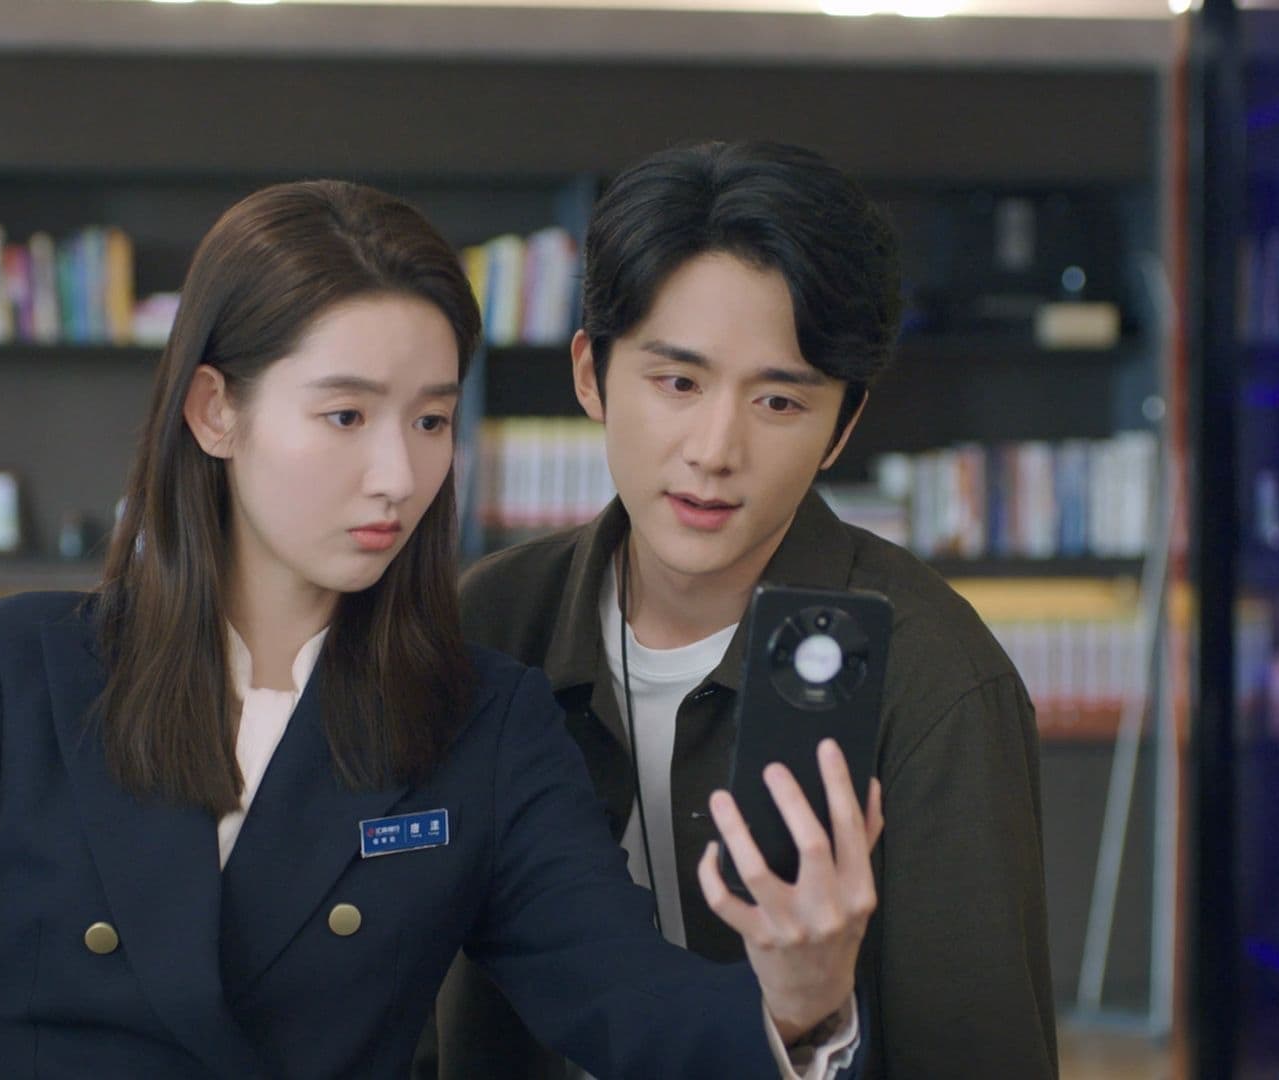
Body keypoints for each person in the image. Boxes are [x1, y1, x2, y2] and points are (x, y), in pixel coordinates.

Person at [0, 179, 884, 1080]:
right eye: (346, 415)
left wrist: (801, 1001)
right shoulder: (9, 673)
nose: (398, 475)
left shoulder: (482, 723)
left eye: (430, 420)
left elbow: (630, 1004)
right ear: (214, 411)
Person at [432, 141, 1057, 1077]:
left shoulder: (933, 678)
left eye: (778, 402)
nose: (715, 450)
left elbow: (980, 1056)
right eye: (678, 383)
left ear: (842, 426)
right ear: (590, 373)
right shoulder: (487, 621)